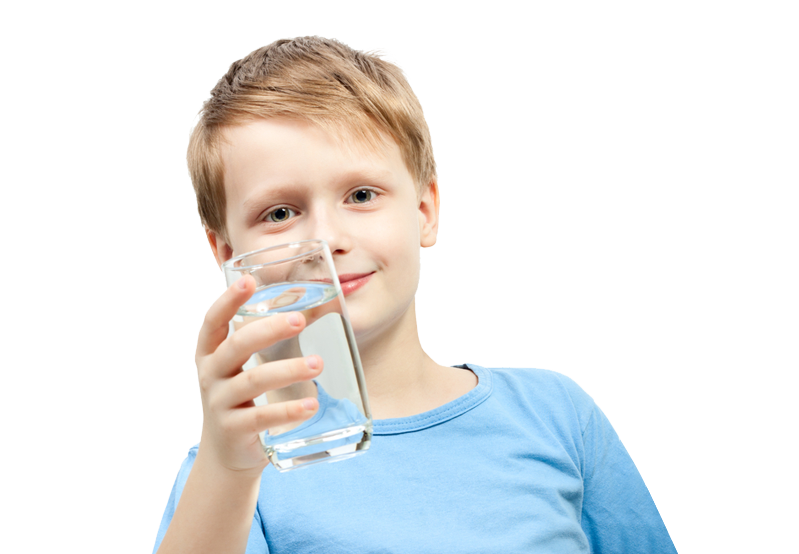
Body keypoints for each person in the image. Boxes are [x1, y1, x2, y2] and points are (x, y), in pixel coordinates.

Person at [153, 36, 677, 554]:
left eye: (361, 195)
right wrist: (225, 472)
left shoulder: (556, 415)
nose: (328, 239)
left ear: (425, 211)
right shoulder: (231, 472)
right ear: (227, 252)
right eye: (280, 213)